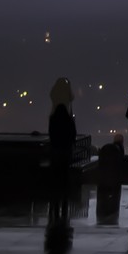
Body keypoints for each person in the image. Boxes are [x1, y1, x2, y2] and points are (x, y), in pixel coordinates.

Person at [49, 78, 78, 218]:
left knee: (55, 171)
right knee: (65, 171)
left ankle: (55, 194)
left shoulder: (53, 119)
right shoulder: (68, 120)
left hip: (56, 147)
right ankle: (65, 194)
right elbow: (73, 133)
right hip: (66, 148)